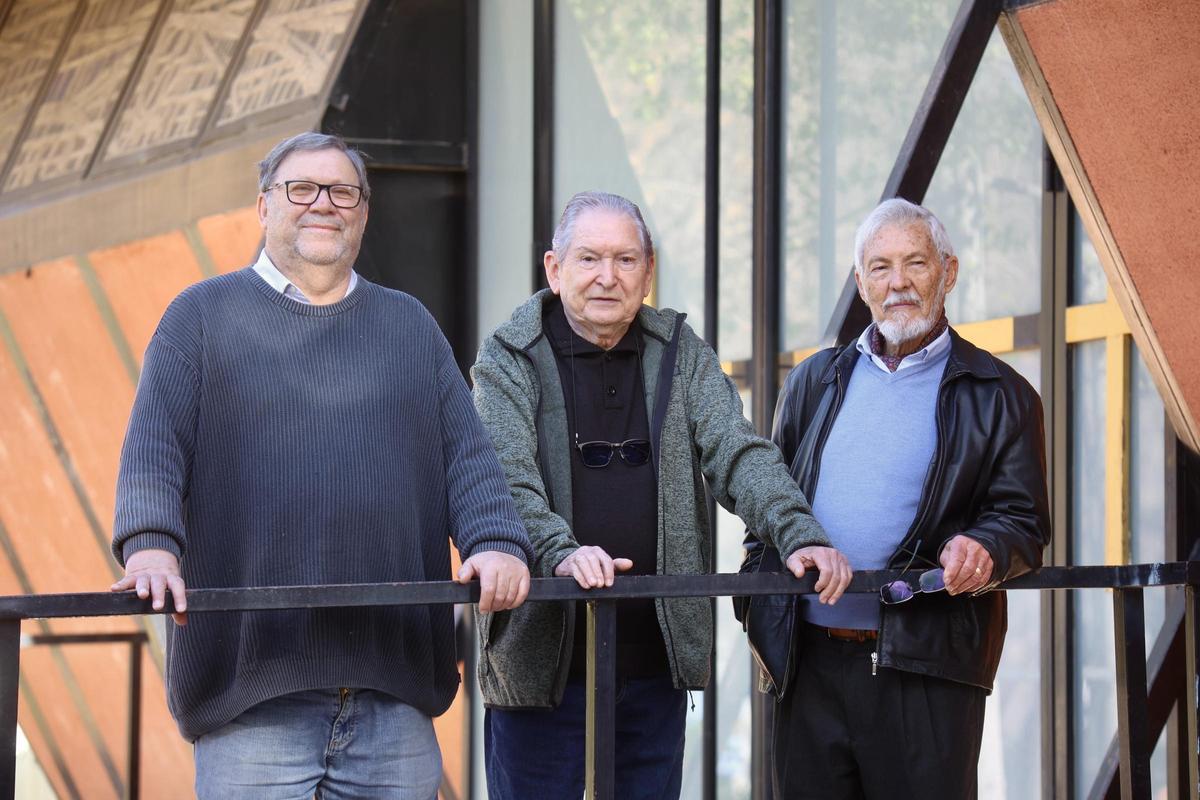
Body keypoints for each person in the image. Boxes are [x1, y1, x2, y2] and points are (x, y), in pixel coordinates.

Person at [109, 131, 534, 800]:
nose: (323, 205)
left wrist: (497, 543)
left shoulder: (409, 327)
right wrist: (151, 547)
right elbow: (154, 451)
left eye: (342, 192)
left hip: (393, 699)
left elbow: (468, 460)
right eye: (300, 189)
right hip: (250, 699)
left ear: (362, 211)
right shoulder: (199, 318)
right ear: (263, 207)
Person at [471, 190, 852, 799]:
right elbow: (502, 481)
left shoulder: (681, 351)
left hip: (653, 665)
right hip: (541, 666)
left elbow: (736, 451)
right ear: (554, 268)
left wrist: (796, 532)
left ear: (648, 273)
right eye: (590, 258)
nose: (607, 276)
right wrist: (562, 552)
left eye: (626, 260)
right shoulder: (507, 357)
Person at [760, 197, 1051, 799]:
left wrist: (986, 545)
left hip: (928, 669)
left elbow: (1023, 520)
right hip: (807, 666)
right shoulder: (814, 380)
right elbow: (770, 502)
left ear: (949, 272)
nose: (898, 283)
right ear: (861, 281)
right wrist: (756, 609)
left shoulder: (1003, 394)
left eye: (915, 264)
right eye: (880, 267)